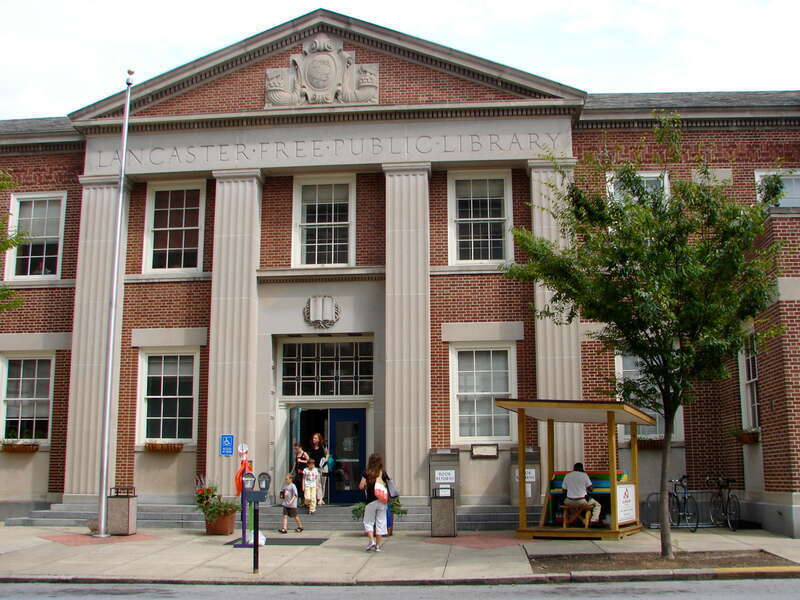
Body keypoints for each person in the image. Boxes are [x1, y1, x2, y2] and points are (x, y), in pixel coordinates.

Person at [359, 453, 391, 552]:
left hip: (370, 501)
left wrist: (366, 486)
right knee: (381, 522)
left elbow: (361, 486)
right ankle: (377, 546)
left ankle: (371, 540)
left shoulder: (367, 472)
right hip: (382, 501)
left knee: (368, 521)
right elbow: (389, 484)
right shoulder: (383, 472)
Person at [307, 432, 330, 506]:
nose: (314, 439)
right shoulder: (311, 447)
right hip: (315, 468)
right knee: (317, 483)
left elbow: (327, 454)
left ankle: (322, 498)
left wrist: (326, 459)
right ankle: (319, 498)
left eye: (315, 438)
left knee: (323, 482)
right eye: (313, 438)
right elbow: (310, 458)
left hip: (323, 467)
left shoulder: (323, 446)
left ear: (319, 439)